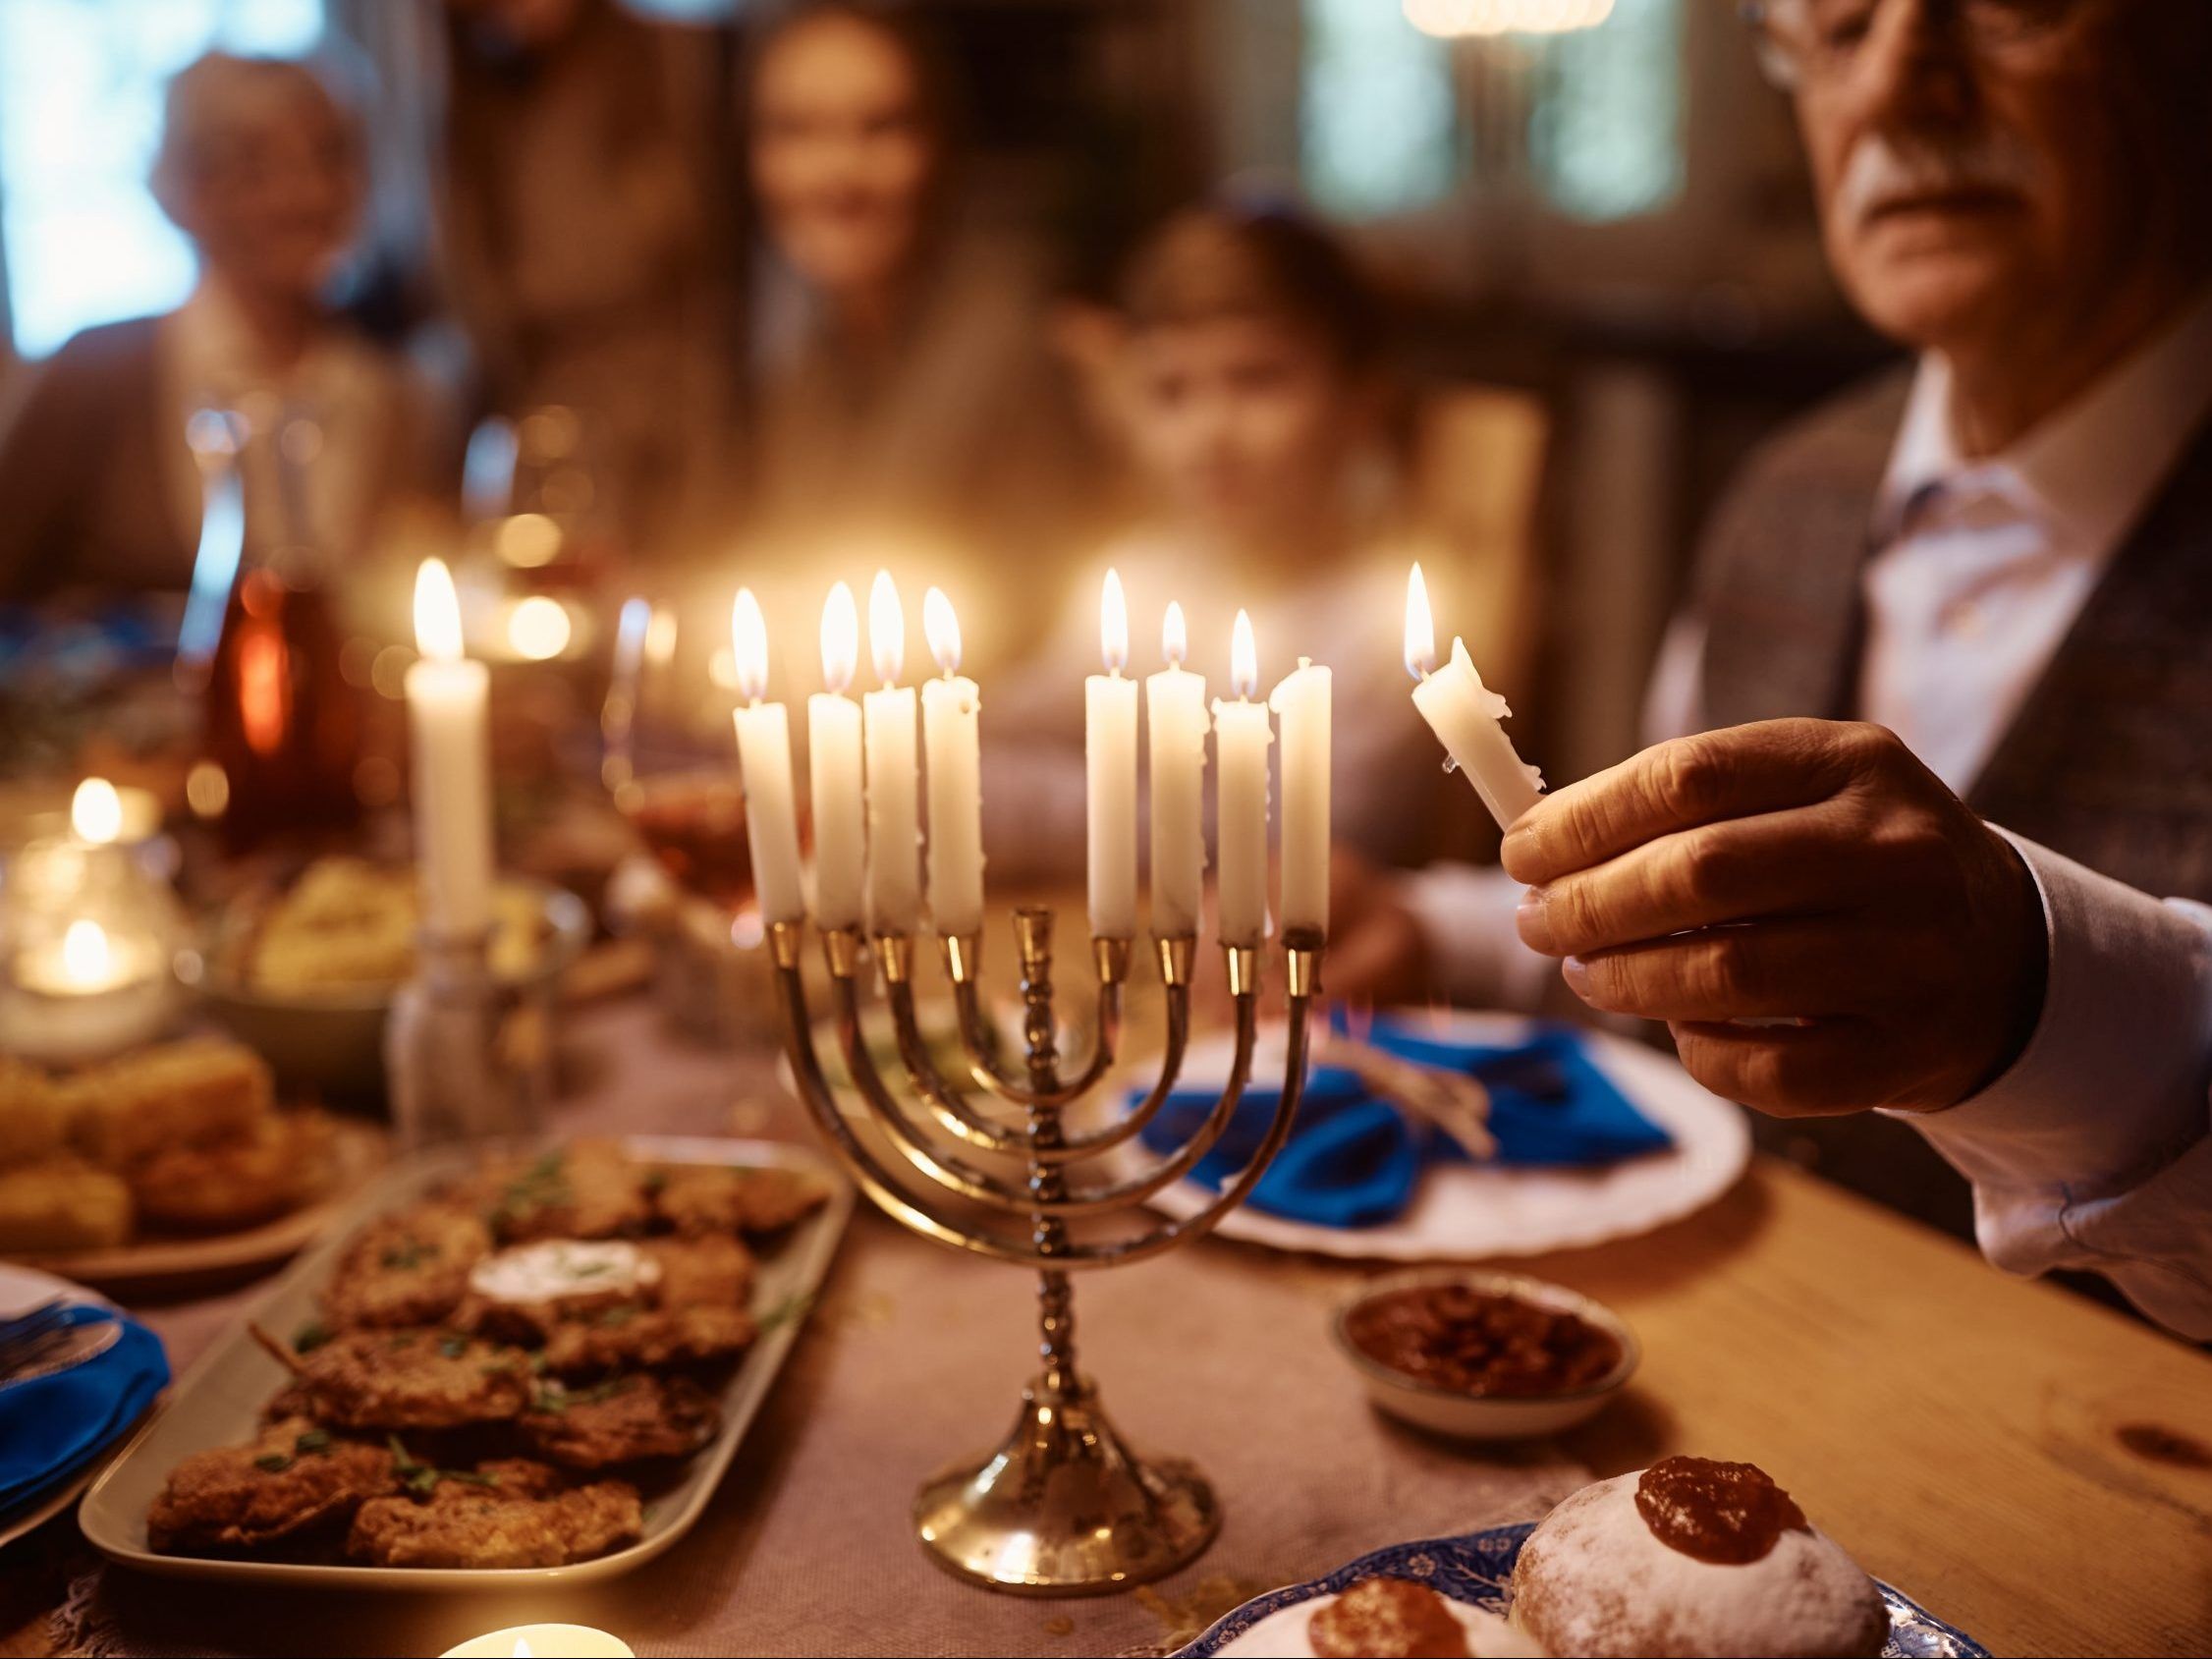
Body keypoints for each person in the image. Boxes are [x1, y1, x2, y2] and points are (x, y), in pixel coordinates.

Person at [1335, 0, 2212, 1338]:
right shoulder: (1789, 491)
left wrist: (2037, 989)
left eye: (2010, 7)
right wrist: (1438, 932)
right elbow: (1699, 941)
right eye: (1844, 21)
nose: (1906, 89)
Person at [982, 202, 1542, 883]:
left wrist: (1011, 805)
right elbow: (1011, 719)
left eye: (1258, 379)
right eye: (1170, 391)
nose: (1211, 433)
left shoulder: (1393, 623)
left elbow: (1306, 830)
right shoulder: (1135, 578)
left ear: (1362, 398)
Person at [0, 51, 447, 601]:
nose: (305, 194)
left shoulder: (393, 391)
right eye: (253, 168)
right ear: (184, 190)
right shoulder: (94, 370)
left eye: (329, 158)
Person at [740, 0, 1095, 627]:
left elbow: (1036, 637)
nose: (838, 172)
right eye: (797, 130)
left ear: (939, 147)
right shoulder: (797, 355)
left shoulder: (1011, 348)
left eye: (880, 128)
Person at [437, 0, 740, 562]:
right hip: (540, 455)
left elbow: (724, 288)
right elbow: (480, 321)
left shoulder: (679, 63)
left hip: (681, 444)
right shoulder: (469, 98)